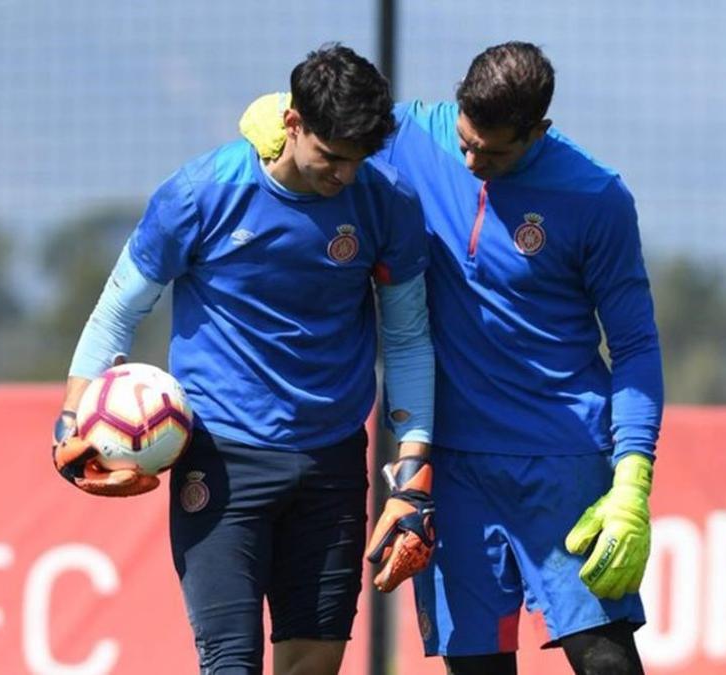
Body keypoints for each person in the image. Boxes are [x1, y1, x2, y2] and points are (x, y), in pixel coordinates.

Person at [239, 41, 663, 675]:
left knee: (604, 661)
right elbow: (327, 125)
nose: (471, 160)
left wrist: (633, 477)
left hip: (563, 462)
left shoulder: (597, 197)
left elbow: (634, 345)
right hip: (453, 470)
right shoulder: (407, 136)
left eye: (493, 153)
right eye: (465, 141)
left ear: (538, 131)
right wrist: (272, 116)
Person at [51, 44, 437, 675]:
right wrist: (70, 424)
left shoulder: (386, 203)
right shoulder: (201, 193)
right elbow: (117, 312)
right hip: (222, 460)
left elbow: (409, 339)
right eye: (331, 157)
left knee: (314, 664)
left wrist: (414, 468)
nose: (343, 176)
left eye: (358, 161)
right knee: (231, 663)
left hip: (334, 456)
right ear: (293, 124)